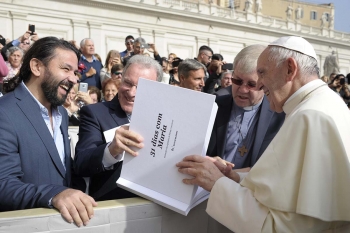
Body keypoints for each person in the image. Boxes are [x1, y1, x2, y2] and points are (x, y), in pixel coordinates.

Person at [177, 36, 350, 232]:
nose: (260, 84)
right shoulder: (326, 103)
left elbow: (288, 226)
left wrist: (217, 184)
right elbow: (282, 189)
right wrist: (235, 177)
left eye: (262, 73)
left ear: (290, 69)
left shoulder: (309, 116)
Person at [0, 37, 97, 227]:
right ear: (36, 66)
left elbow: (63, 170)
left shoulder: (60, 111)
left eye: (76, 72)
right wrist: (54, 195)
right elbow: (3, 184)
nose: (74, 78)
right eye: (66, 69)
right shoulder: (4, 112)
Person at [74, 55, 163, 201]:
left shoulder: (165, 117)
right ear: (120, 80)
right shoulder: (95, 113)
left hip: (157, 204)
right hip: (114, 205)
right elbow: (81, 164)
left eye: (142, 87)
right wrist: (111, 150)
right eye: (128, 83)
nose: (132, 92)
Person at [206, 45, 284, 169]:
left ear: (266, 84)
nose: (242, 90)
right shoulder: (214, 106)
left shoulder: (280, 117)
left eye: (251, 84)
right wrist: (208, 160)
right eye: (237, 81)